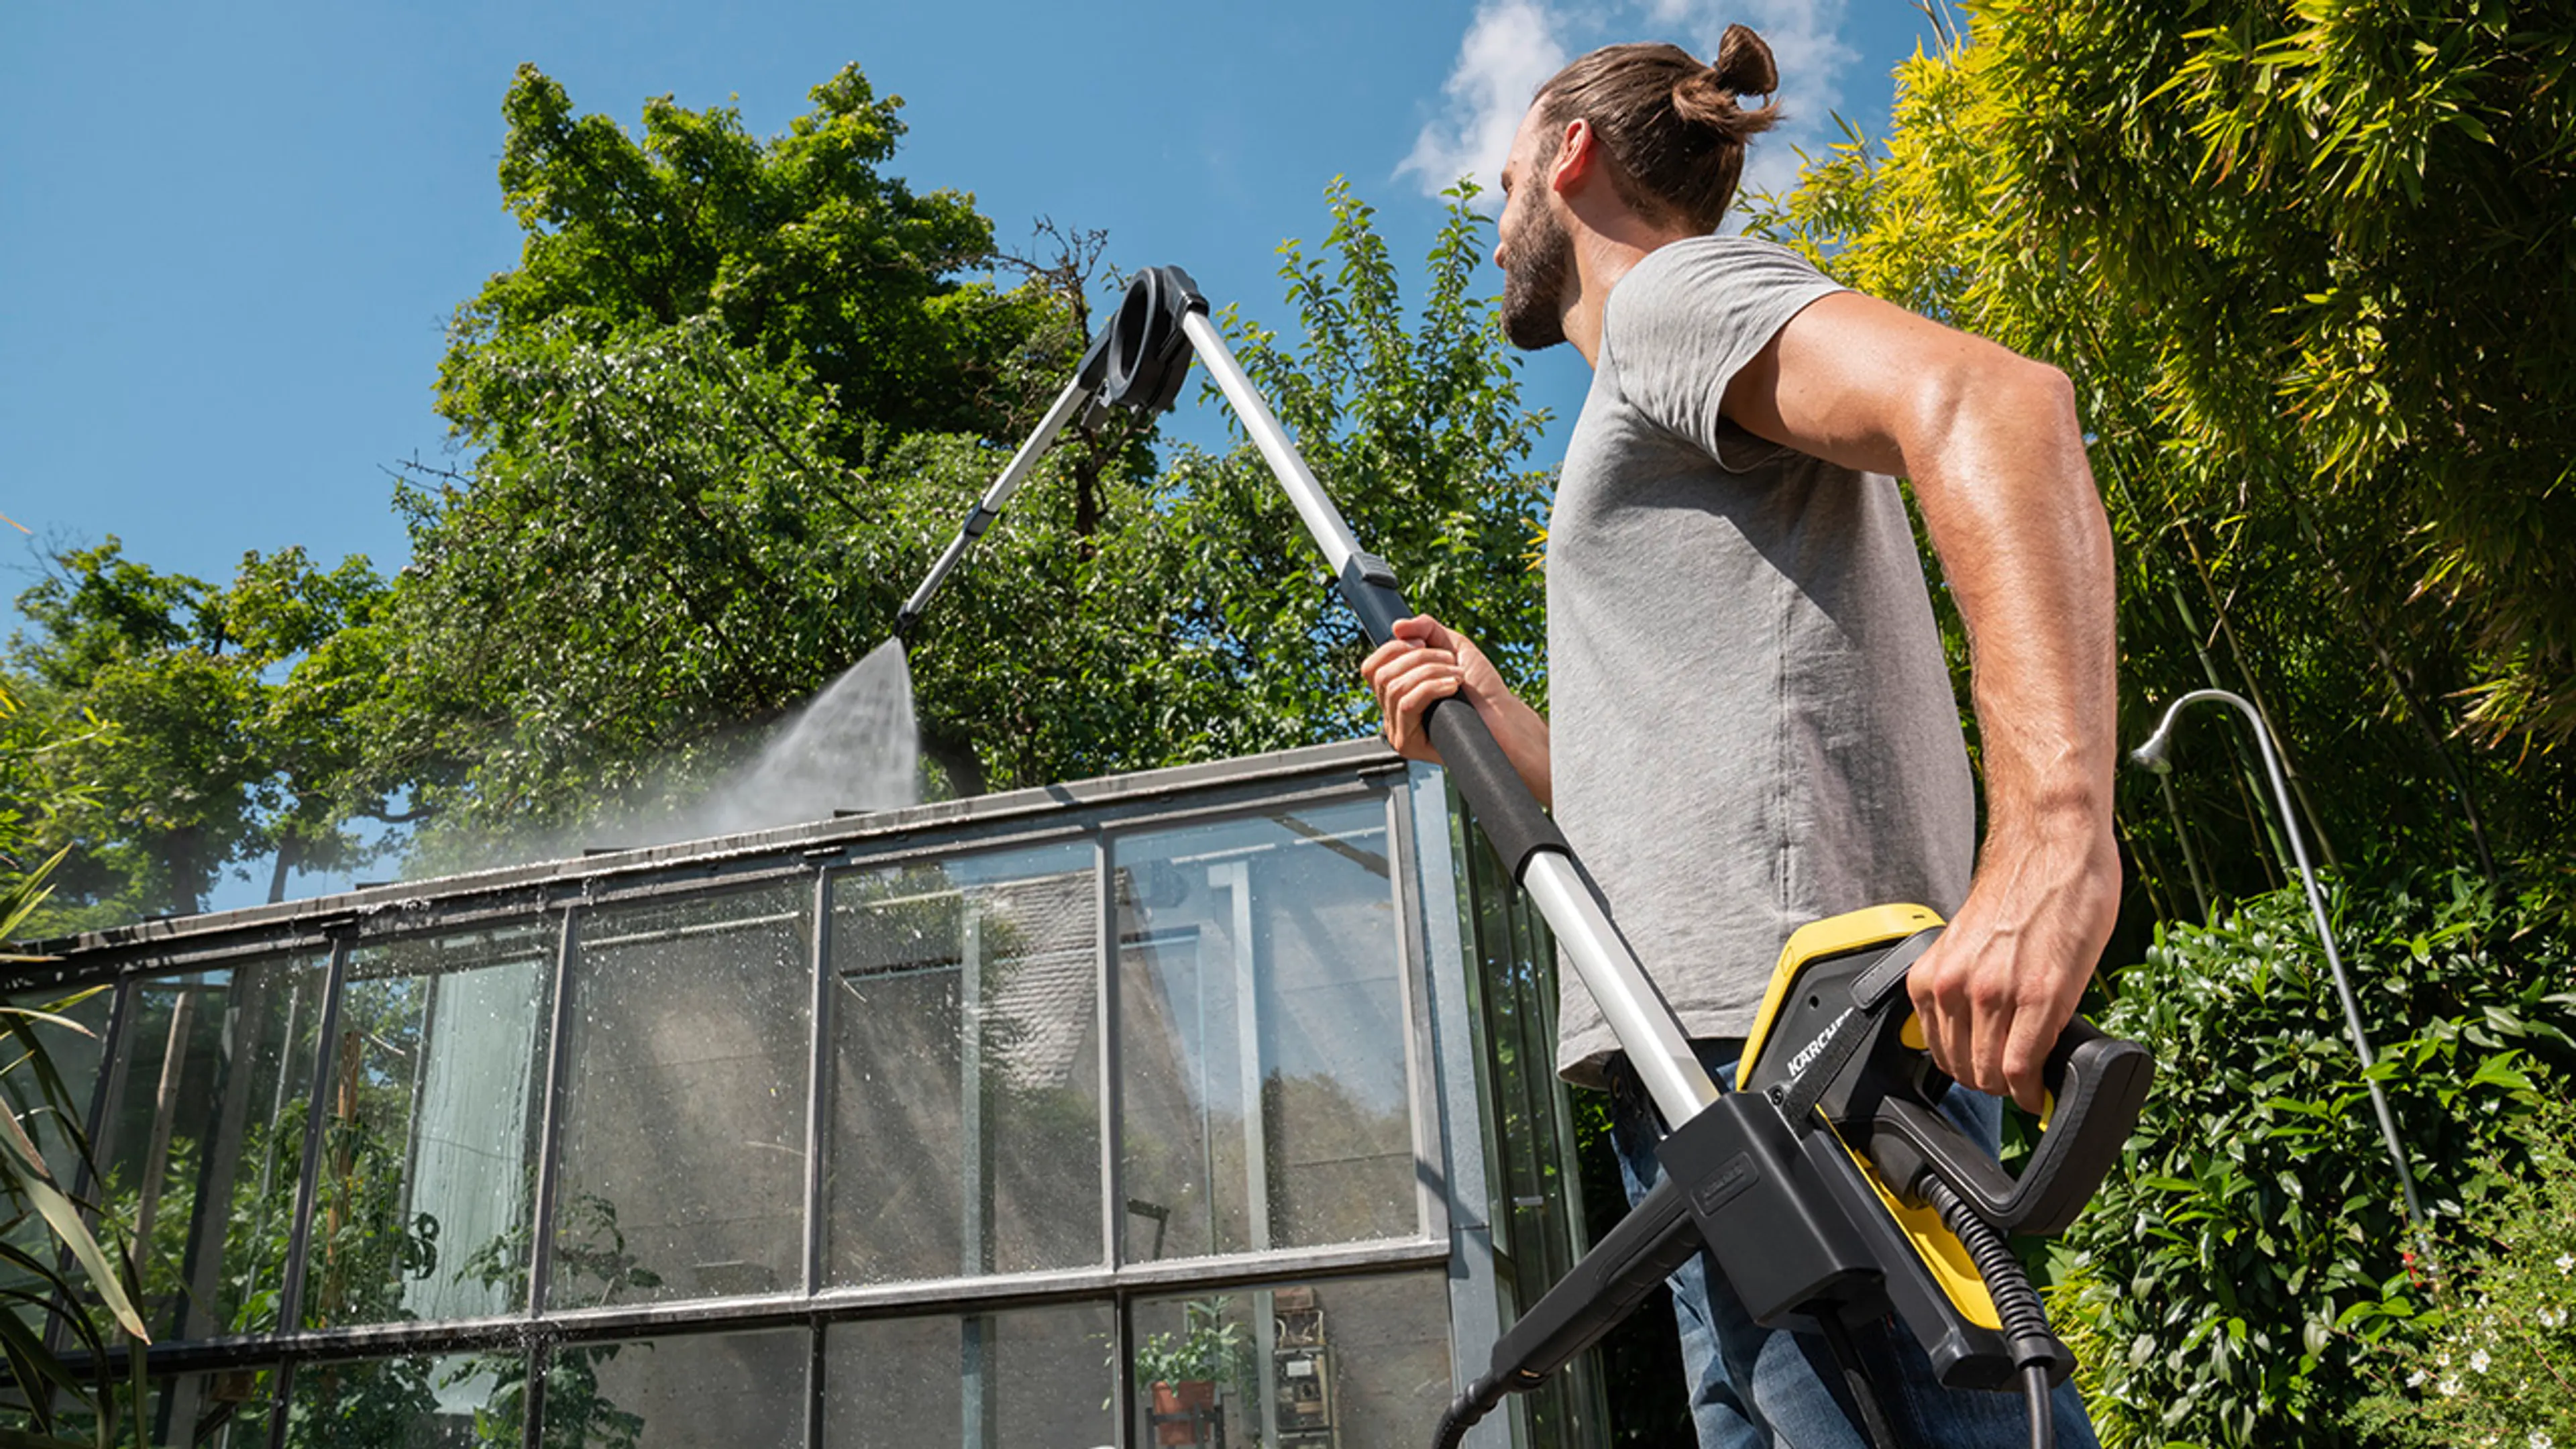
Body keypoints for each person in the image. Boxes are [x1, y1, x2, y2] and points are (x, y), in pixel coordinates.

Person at [1360, 27, 2118, 1449]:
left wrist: (2056, 840)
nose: (1498, 210)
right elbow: (1676, 786)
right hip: (1709, 1058)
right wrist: (1500, 717)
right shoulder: (1665, 395)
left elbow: (2000, 408)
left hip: (1790, 1055)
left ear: (1570, 157)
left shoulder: (1669, 300)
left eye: (1507, 172)